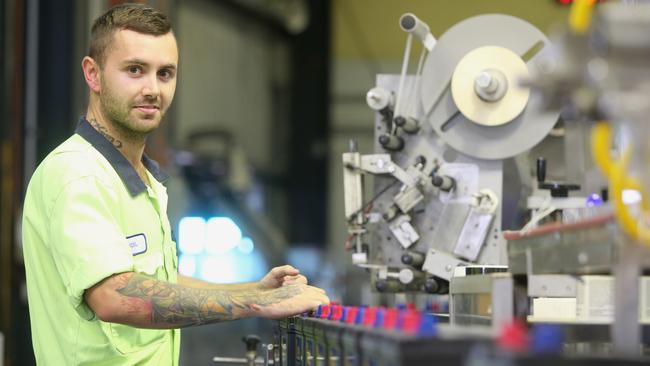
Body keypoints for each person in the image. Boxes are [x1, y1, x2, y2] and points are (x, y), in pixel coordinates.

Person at [21, 3, 329, 365]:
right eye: (135, 70)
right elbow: (115, 295)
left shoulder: (143, 181)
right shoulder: (78, 173)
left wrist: (254, 288)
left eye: (164, 73)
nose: (152, 89)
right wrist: (256, 303)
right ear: (93, 74)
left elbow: (157, 282)